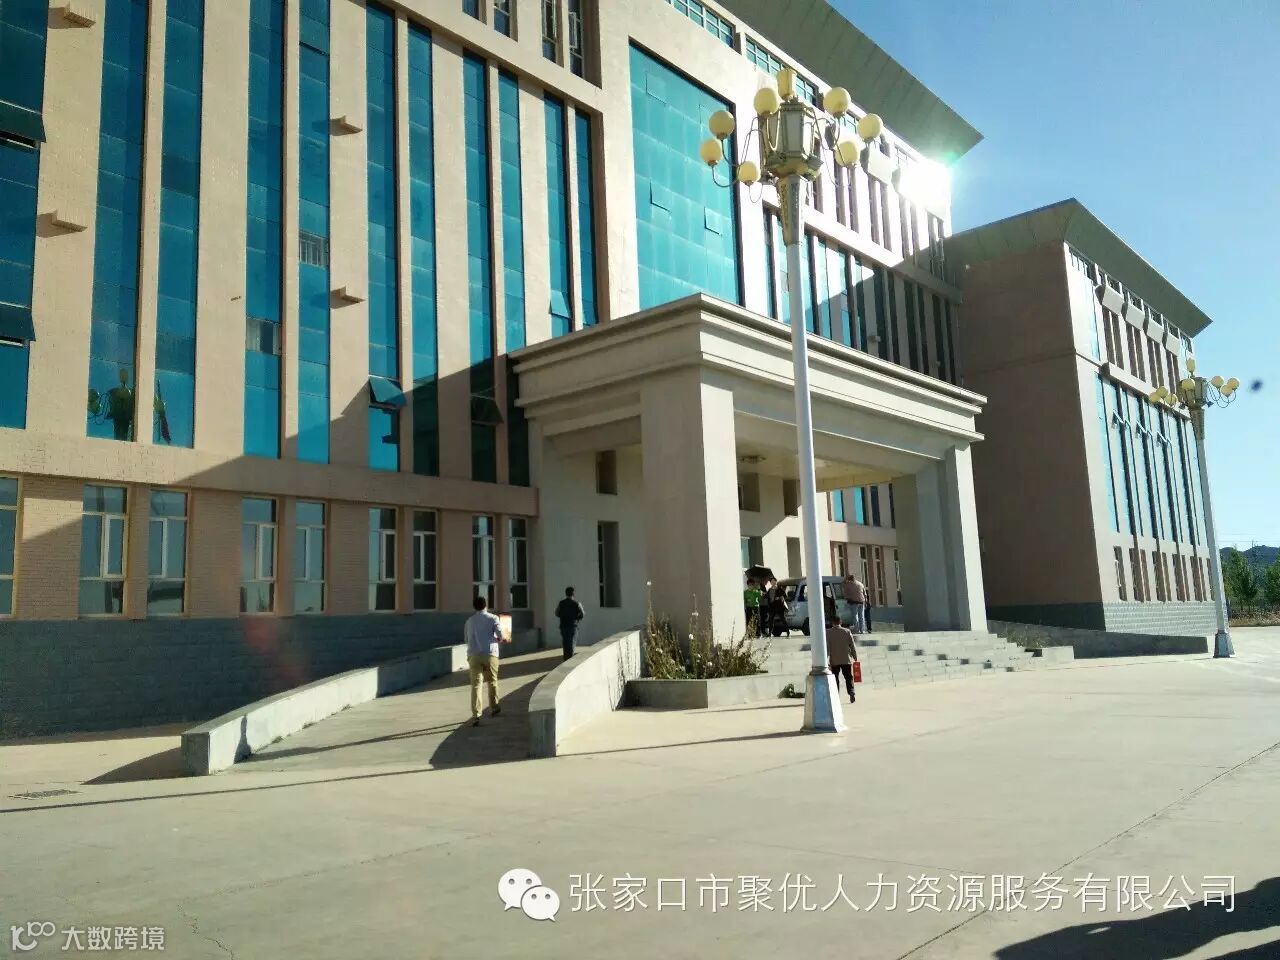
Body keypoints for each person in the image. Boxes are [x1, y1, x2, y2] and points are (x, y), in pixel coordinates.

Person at [465, 595, 507, 726]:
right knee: (492, 681)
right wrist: (501, 638)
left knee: (476, 685)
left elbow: (466, 639)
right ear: (486, 605)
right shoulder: (493, 618)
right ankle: (494, 707)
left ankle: (476, 715)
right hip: (490, 654)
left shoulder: (469, 621)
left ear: (474, 607)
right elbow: (500, 635)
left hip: (474, 655)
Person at [826, 615, 858, 703]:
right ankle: (851, 691)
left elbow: (827, 647)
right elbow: (852, 645)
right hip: (846, 659)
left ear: (832, 623)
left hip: (834, 660)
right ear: (841, 622)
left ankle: (836, 695)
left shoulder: (828, 632)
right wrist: (855, 656)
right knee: (848, 677)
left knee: (835, 678)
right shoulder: (847, 631)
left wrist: (827, 659)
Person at [555, 586, 585, 661]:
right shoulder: (577, 603)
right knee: (572, 644)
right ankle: (570, 660)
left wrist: (562, 616)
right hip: (573, 626)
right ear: (573, 594)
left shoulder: (561, 603)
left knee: (565, 644)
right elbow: (582, 614)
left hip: (563, 626)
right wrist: (577, 618)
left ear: (566, 594)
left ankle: (565, 660)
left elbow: (556, 613)